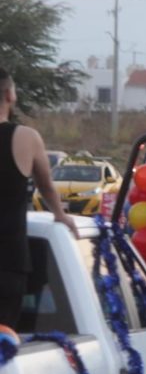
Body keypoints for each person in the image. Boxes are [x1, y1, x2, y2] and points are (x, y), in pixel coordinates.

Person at [0, 68, 78, 328]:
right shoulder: (25, 138)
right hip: (8, 263)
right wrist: (59, 213)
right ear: (11, 95)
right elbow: (46, 185)